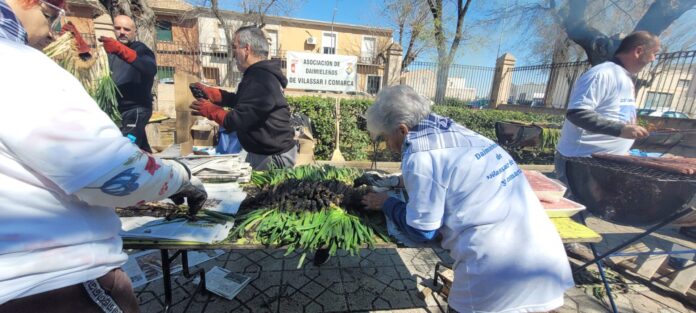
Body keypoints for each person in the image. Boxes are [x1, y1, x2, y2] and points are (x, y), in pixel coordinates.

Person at [0, 1, 206, 312]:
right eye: (50, 15)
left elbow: (146, 67)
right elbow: (115, 173)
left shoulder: (142, 51)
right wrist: (182, 178)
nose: (52, 31)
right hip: (54, 286)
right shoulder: (15, 64)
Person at [359, 85, 574, 313]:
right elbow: (454, 175)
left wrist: (386, 203)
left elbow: (422, 231)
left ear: (402, 130)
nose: (388, 146)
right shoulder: (459, 133)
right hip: (545, 262)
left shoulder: (420, 156)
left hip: (495, 273)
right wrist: (402, 182)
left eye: (385, 137)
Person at [554, 31, 659, 186]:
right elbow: (577, 113)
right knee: (578, 209)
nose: (654, 59)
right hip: (581, 163)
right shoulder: (603, 73)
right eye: (654, 53)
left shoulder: (626, 79)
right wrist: (620, 130)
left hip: (605, 163)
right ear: (638, 51)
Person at [190, 26, 296, 170]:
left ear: (247, 49)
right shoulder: (258, 75)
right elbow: (246, 104)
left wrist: (210, 110)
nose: (233, 54)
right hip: (264, 153)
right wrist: (216, 95)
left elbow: (237, 120)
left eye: (234, 47)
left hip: (273, 157)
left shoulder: (261, 79)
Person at [99, 15, 157, 153]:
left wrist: (121, 50)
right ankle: (156, 169)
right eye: (118, 28)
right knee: (140, 149)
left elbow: (150, 68)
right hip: (118, 112)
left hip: (136, 109)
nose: (122, 32)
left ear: (135, 32)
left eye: (127, 29)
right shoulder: (110, 52)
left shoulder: (141, 49)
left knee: (126, 150)